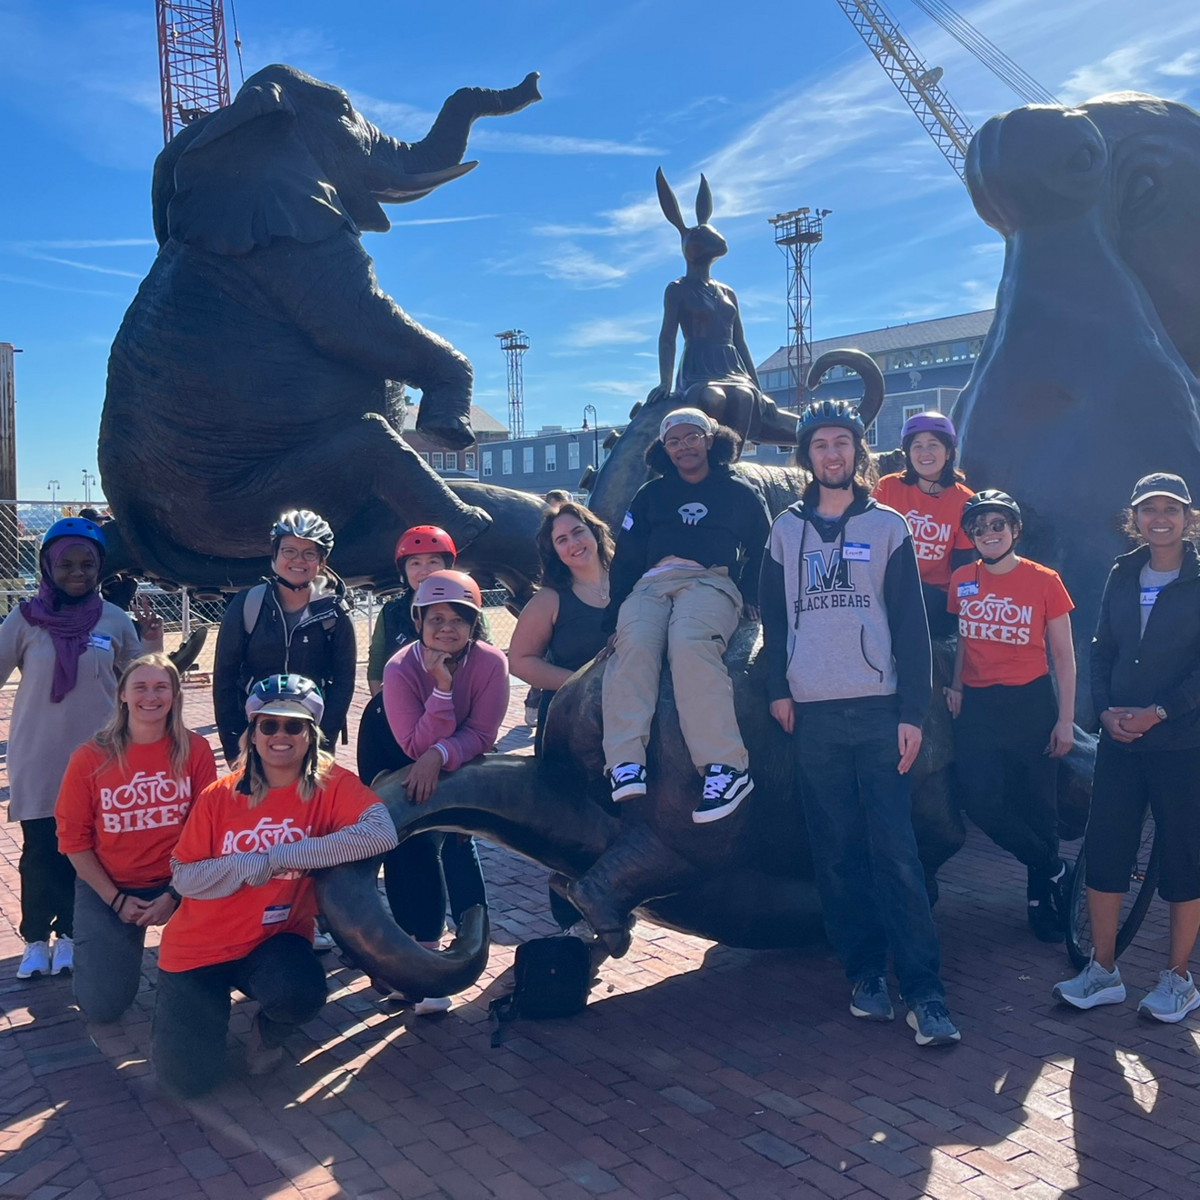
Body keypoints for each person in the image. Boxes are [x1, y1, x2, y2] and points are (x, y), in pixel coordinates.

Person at [759, 398, 959, 1046]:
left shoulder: (889, 526)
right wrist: (778, 690)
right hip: (814, 713)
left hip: (878, 711)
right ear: (806, 455)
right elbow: (772, 616)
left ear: (858, 451)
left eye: (842, 443)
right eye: (820, 444)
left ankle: (925, 992)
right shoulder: (785, 530)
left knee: (896, 852)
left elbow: (910, 625)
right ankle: (866, 974)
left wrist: (911, 713)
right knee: (837, 854)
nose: (832, 454)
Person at [152, 675, 397, 1097]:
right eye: (269, 725)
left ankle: (267, 1032)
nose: (280, 735)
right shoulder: (219, 795)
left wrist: (281, 856)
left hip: (273, 939)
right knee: (187, 1082)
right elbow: (184, 876)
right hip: (199, 946)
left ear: (310, 734)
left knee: (300, 992)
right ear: (253, 732)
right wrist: (247, 865)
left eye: (293, 725)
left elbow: (380, 833)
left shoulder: (331, 785)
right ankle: (200, 1018)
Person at [1054, 473, 1200, 1021]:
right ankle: (1103, 971)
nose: (1158, 517)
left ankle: (1179, 980)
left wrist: (1159, 712)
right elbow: (1100, 647)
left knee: (1185, 858)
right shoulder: (1123, 571)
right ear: (1133, 518)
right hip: (1120, 741)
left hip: (1182, 742)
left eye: (1170, 508)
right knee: (1108, 851)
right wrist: (1107, 711)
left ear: (1188, 517)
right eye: (1148, 509)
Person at [1, 517, 162, 981]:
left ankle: (71, 935)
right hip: (39, 756)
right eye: (67, 563)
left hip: (100, 759)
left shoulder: (113, 619)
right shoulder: (24, 619)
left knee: (87, 850)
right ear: (48, 566)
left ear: (99, 568)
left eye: (87, 564)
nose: (77, 572)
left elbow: (142, 679)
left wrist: (152, 642)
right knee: (40, 851)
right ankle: (35, 939)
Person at [602, 407, 770, 822]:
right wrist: (612, 620)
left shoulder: (740, 492)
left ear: (710, 440)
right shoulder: (649, 496)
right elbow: (625, 558)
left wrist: (751, 593)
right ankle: (626, 762)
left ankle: (726, 767)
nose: (683, 447)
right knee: (635, 644)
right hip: (652, 583)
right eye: (673, 441)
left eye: (691, 437)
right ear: (664, 449)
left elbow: (767, 547)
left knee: (689, 644)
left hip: (710, 581)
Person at [944, 490, 1076, 942]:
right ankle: (1053, 866)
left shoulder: (1045, 581)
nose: (989, 533)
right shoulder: (962, 578)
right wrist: (958, 685)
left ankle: (1040, 899)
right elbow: (962, 638)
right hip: (979, 706)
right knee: (980, 800)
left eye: (998, 524)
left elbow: (1064, 657)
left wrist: (1065, 720)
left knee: (1040, 808)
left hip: (1031, 704)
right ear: (971, 537)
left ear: (1015, 530)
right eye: (979, 528)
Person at [55, 654, 217, 1022]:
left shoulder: (195, 750)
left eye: (161, 687)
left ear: (175, 695)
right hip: (111, 885)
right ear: (123, 695)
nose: (151, 696)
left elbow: (208, 829)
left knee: (202, 994)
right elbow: (73, 841)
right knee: (102, 1008)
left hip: (182, 882)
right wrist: (115, 901)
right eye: (140, 687)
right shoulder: (90, 757)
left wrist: (175, 894)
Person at [375, 571, 509, 1013]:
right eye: (436, 618)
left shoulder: (491, 663)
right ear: (418, 621)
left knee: (459, 839)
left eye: (458, 618)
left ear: (474, 624)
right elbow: (411, 744)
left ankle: (468, 942)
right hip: (398, 756)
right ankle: (422, 955)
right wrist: (442, 688)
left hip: (459, 760)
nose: (446, 628)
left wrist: (439, 754)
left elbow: (484, 734)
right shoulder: (399, 668)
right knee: (411, 850)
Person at [510, 501, 615, 932]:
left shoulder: (632, 583)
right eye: (562, 539)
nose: (573, 543)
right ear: (554, 551)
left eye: (578, 532)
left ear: (595, 532)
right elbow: (521, 660)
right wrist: (583, 683)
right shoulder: (552, 599)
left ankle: (615, 903)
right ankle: (570, 922)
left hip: (632, 719)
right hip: (572, 726)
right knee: (573, 824)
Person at [213, 509, 355, 767]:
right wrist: (234, 748)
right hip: (258, 731)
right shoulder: (248, 604)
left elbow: (343, 682)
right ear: (275, 555)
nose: (298, 560)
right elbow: (225, 678)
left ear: (321, 561)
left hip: (310, 733)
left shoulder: (334, 612)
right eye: (289, 550)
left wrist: (324, 745)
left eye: (309, 553)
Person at [872, 412, 975, 636]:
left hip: (934, 599)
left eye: (933, 445)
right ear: (908, 453)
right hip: (890, 590)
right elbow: (869, 542)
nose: (924, 452)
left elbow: (964, 564)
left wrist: (967, 608)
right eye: (917, 446)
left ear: (948, 452)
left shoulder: (964, 500)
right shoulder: (888, 487)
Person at [366, 526, 458, 698]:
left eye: (433, 561)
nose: (425, 571)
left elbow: (485, 665)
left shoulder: (468, 610)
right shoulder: (391, 613)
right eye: (415, 563)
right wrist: (385, 708)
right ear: (404, 570)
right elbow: (377, 666)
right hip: (402, 706)